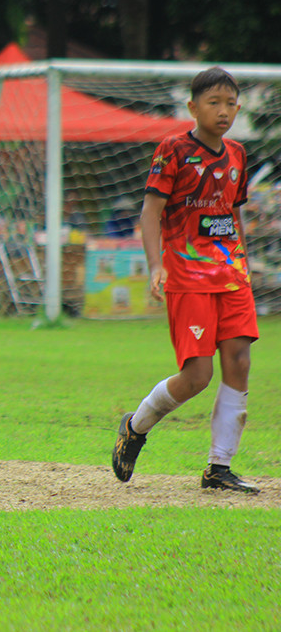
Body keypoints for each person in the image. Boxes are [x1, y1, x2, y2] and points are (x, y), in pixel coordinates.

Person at [111, 67, 260, 494]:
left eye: (231, 103)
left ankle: (218, 467)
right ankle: (135, 426)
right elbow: (150, 213)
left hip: (231, 275)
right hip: (187, 275)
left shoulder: (237, 154)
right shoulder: (173, 150)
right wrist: (156, 265)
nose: (224, 111)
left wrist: (244, 261)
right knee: (197, 376)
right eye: (214, 102)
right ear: (193, 107)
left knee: (240, 362)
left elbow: (232, 213)